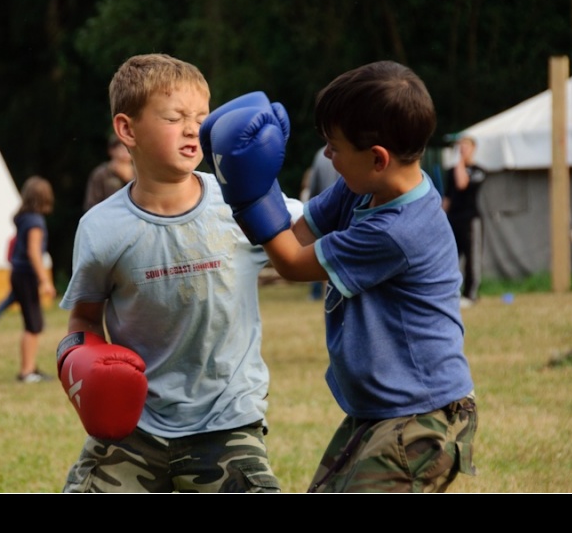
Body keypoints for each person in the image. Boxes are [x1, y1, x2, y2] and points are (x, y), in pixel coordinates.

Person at [203, 61, 477, 493]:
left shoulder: (398, 230)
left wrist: (251, 193)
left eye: (334, 147)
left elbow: (292, 263)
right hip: (380, 411)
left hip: (423, 417)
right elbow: (296, 236)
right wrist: (249, 186)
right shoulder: (364, 187)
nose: (327, 156)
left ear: (377, 158)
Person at [56, 53, 302, 493]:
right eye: (174, 117)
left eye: (202, 118)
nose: (193, 128)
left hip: (226, 421)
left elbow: (314, 235)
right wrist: (83, 364)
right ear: (127, 129)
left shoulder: (241, 203)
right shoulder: (101, 228)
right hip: (135, 426)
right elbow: (84, 320)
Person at [11, 176, 57, 383]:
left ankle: (29, 368)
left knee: (33, 323)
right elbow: (34, 252)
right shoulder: (35, 221)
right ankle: (27, 372)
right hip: (27, 275)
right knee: (33, 325)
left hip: (19, 273)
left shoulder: (24, 217)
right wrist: (45, 280)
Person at [442, 134, 487, 308]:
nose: (462, 150)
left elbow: (462, 184)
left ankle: (471, 294)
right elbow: (448, 197)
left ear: (473, 149)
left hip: (471, 220)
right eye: (460, 147)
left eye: (465, 147)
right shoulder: (450, 172)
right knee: (450, 257)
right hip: (453, 219)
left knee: (472, 258)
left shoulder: (479, 171)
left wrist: (460, 162)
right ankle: (452, 293)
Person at [305, 147, 339, 300]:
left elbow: (313, 189)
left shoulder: (320, 155)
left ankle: (324, 296)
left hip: (326, 214)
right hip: (348, 214)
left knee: (325, 255)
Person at [82, 133, 134, 211]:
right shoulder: (101, 174)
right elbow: (91, 204)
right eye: (121, 147)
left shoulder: (140, 173)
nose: (125, 151)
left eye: (128, 147)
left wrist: (129, 179)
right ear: (111, 150)